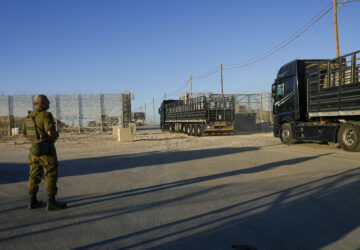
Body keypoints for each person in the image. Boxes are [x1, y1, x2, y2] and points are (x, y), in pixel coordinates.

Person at [21, 94, 67, 211]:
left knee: (34, 175)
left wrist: (35, 139)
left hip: (34, 151)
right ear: (41, 103)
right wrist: (56, 134)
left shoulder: (28, 117)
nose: (49, 104)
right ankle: (51, 202)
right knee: (51, 174)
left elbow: (24, 134)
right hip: (46, 150)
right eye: (47, 101)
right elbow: (50, 132)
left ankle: (32, 201)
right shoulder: (46, 115)